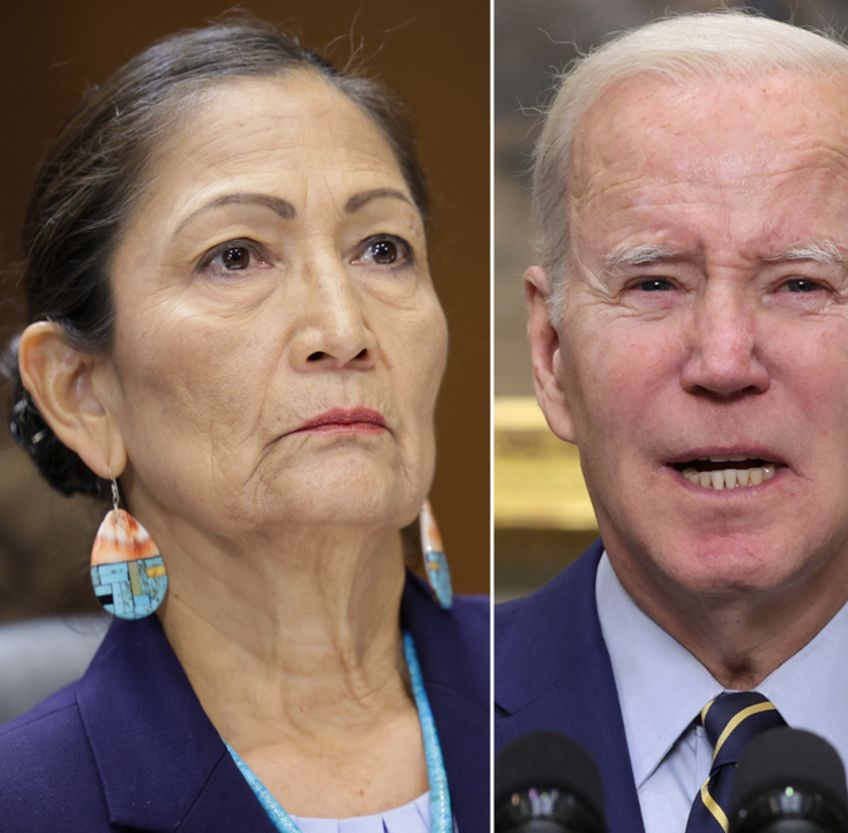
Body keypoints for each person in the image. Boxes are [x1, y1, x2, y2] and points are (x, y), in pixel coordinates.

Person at [495, 11, 848, 833]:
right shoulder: (430, 739)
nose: (723, 361)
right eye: (654, 283)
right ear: (550, 353)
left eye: (800, 285)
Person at [0, 20, 489, 832]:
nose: (343, 326)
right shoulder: (33, 805)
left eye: (381, 248)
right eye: (235, 256)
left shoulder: (587, 698)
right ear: (83, 391)